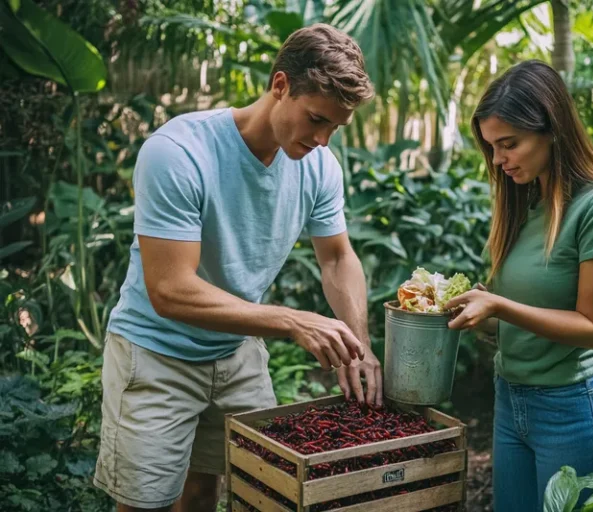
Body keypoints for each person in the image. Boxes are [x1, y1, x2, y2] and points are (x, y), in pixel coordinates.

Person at [93, 24, 383, 512]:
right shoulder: (179, 152)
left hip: (236, 354)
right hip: (156, 353)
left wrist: (360, 346)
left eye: (335, 127)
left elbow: (336, 257)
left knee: (213, 489)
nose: (322, 139)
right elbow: (170, 289)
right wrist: (292, 321)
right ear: (280, 85)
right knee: (147, 505)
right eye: (316, 119)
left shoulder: (319, 166)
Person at [445, 60, 593, 511]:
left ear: (551, 128)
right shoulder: (525, 202)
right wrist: (472, 311)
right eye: (492, 147)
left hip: (576, 408)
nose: (498, 160)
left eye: (508, 144)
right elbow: (521, 318)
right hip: (512, 400)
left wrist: (498, 306)